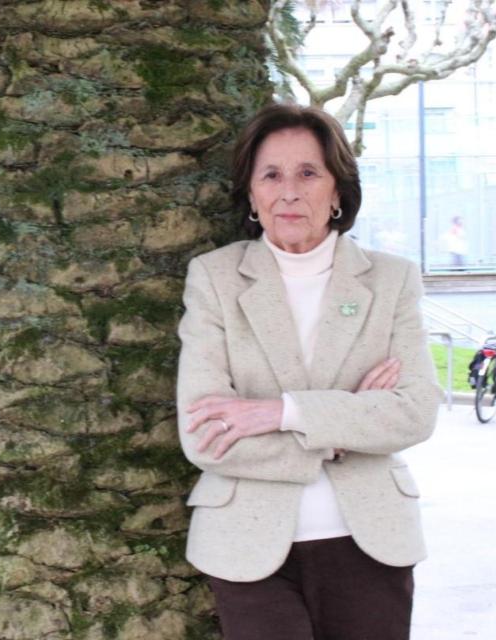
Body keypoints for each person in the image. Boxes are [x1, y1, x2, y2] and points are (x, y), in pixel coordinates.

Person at [176, 104, 443, 640]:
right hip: (247, 547)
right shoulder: (215, 278)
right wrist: (344, 431)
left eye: (308, 173)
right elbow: (204, 435)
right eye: (271, 175)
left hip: (370, 541)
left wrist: (281, 412)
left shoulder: (392, 280)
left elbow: (414, 413)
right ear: (251, 194)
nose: (289, 191)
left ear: (338, 190)